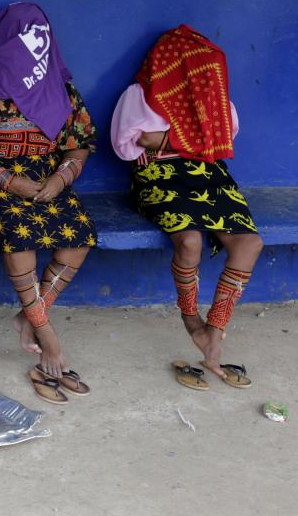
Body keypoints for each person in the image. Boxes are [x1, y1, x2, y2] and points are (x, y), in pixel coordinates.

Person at [0, 2, 97, 405]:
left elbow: (78, 147)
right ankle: (45, 330)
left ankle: (30, 313)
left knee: (79, 235)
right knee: (17, 235)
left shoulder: (61, 91)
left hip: (47, 182)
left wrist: (61, 179)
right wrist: (12, 183)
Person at [110, 24, 262, 390]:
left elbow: (225, 136)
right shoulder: (140, 94)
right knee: (190, 241)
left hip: (208, 172)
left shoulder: (212, 94)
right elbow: (125, 145)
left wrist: (163, 139)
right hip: (158, 175)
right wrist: (187, 140)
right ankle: (191, 319)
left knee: (249, 243)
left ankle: (215, 329)